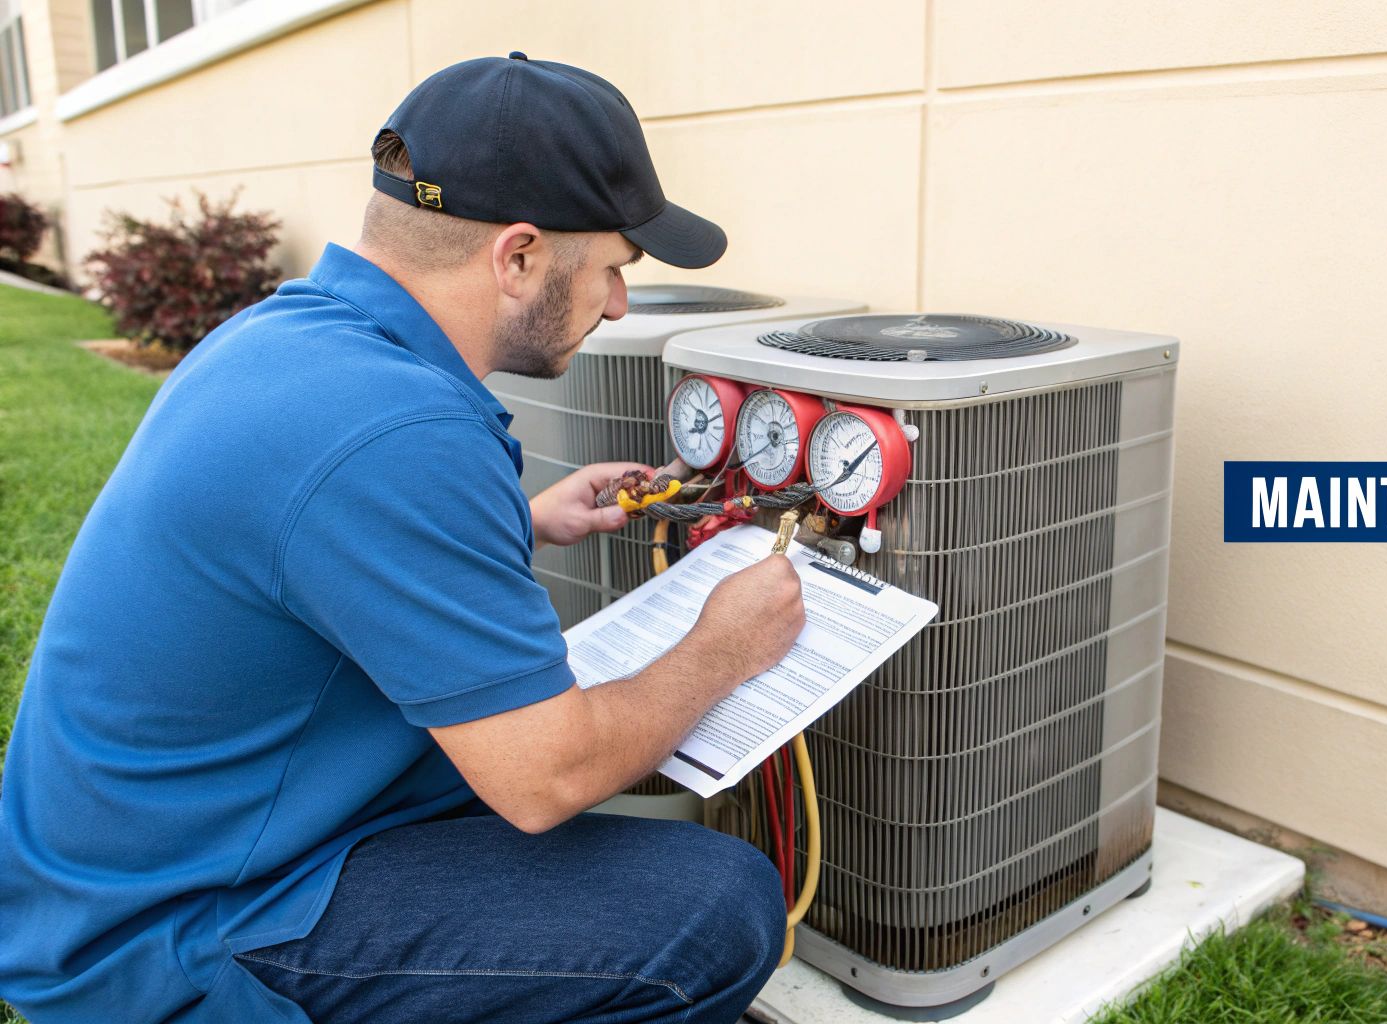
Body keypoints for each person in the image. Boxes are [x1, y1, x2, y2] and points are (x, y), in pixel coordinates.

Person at [0, 54, 805, 1024]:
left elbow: (322, 544)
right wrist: (721, 649)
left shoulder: (296, 336)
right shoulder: (395, 432)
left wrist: (531, 518)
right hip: (166, 943)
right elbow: (544, 778)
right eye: (613, 268)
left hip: (140, 868)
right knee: (713, 906)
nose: (621, 303)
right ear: (516, 257)